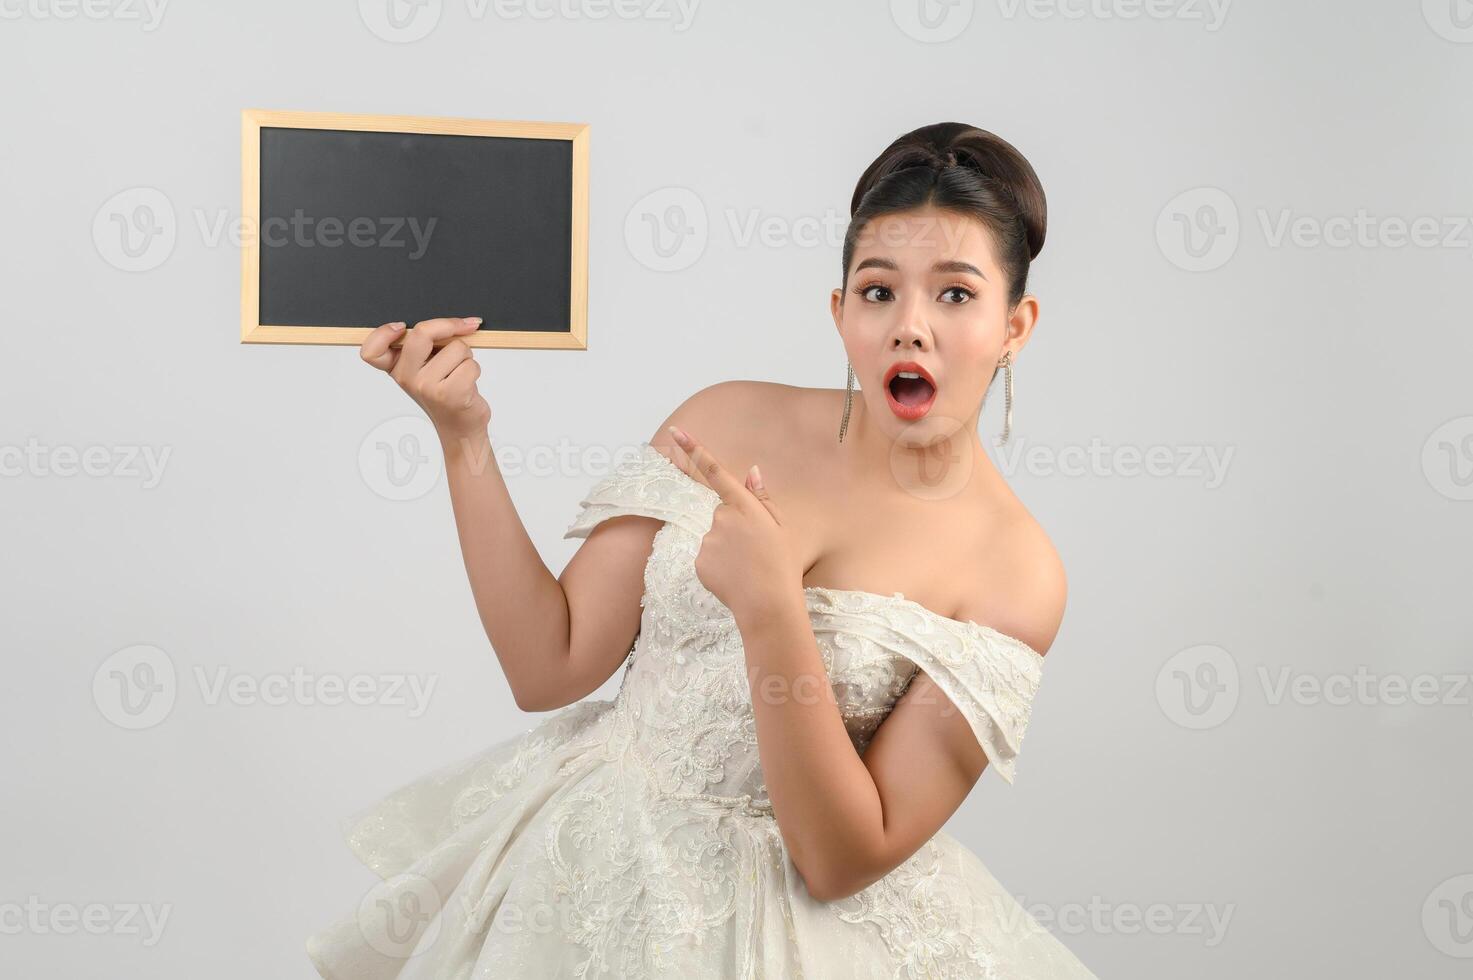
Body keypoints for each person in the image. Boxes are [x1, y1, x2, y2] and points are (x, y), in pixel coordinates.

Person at [307, 121, 1097, 978]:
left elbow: (840, 858)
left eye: (954, 294)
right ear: (839, 314)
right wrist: (463, 438)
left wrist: (769, 606)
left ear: (1015, 325)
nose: (910, 327)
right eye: (877, 292)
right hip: (585, 885)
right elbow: (549, 663)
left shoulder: (1016, 573)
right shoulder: (726, 419)